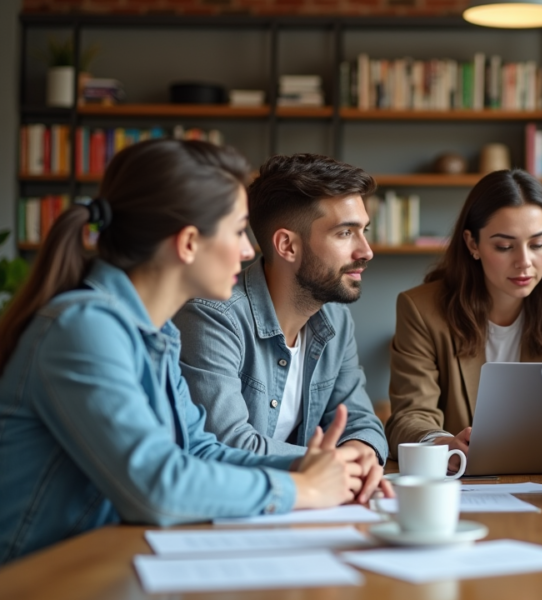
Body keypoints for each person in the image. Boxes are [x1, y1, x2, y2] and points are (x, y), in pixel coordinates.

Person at [0, 140, 378, 564]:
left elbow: (201, 451)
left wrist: (315, 470)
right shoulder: (84, 329)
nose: (250, 250)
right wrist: (303, 489)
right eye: (237, 231)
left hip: (103, 561)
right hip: (36, 577)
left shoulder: (157, 333)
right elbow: (157, 486)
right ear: (188, 243)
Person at [173, 154, 389, 505]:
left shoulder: (336, 318)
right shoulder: (213, 316)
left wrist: (361, 450)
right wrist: (329, 466)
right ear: (287, 245)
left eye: (363, 230)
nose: (366, 251)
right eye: (345, 232)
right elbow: (226, 443)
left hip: (305, 507)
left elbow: (360, 418)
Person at [385, 169, 542, 463]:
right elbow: (409, 417)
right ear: (473, 244)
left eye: (538, 244)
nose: (524, 262)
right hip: (462, 482)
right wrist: (442, 443)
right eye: (504, 246)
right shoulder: (421, 310)